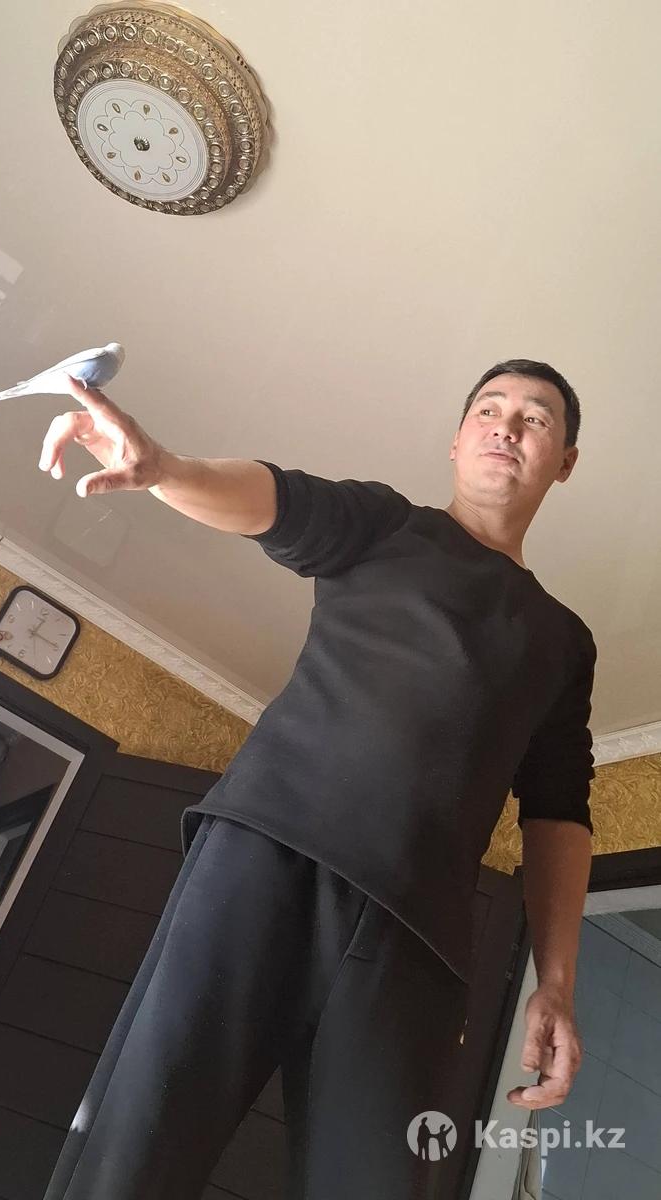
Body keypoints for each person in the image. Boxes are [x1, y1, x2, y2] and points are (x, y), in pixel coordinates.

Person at [36, 360, 596, 1200]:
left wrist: (556, 984)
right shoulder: (385, 524)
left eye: (536, 418)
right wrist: (165, 469)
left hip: (418, 936)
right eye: (489, 408)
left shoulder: (563, 642)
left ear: (565, 461)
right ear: (456, 441)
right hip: (266, 857)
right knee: (134, 1150)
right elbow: (277, 499)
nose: (507, 426)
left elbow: (559, 814)